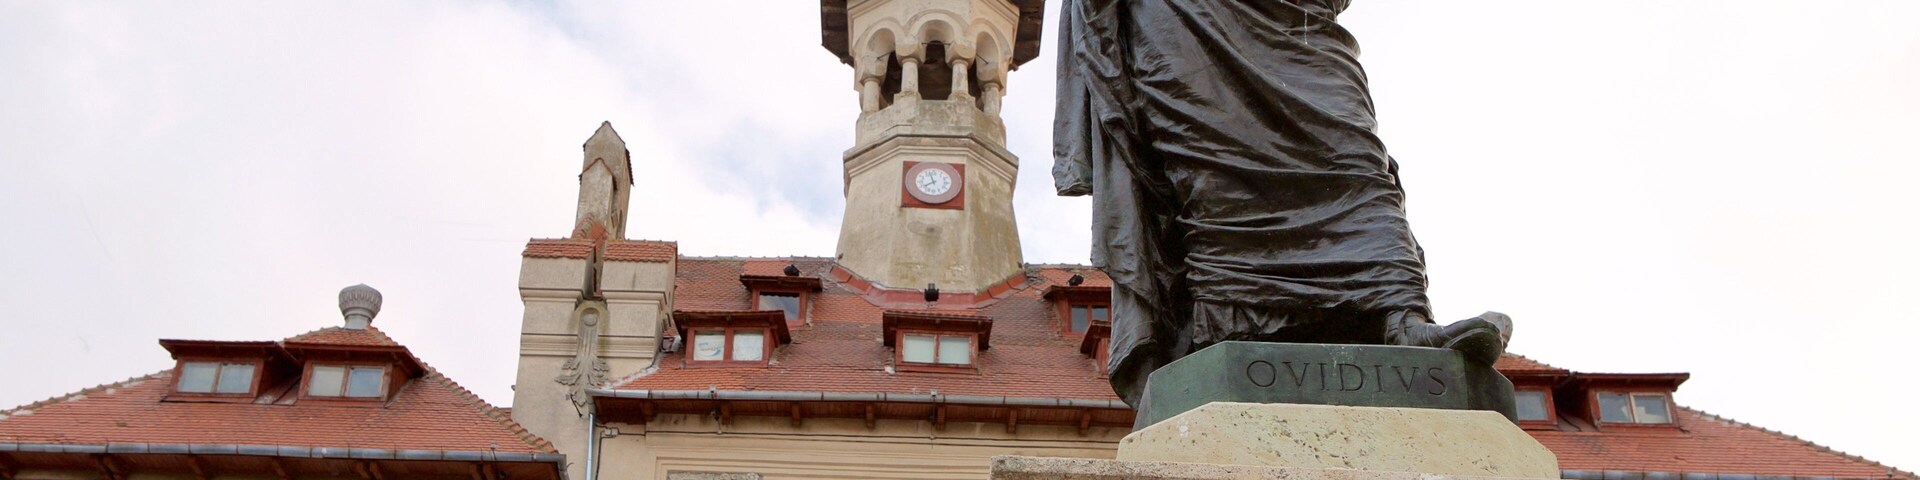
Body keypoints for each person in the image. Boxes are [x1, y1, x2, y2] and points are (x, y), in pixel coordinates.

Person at [1052, 0, 1508, 406]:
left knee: (1352, 154)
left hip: (1291, 15)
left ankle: (1400, 313)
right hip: (1182, 16)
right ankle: (1228, 325)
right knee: (1210, 168)